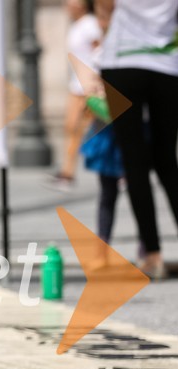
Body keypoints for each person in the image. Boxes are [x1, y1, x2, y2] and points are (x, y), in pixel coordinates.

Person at [99, 0, 178, 279]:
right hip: (167, 62)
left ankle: (153, 256)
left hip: (122, 59)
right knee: (168, 161)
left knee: (134, 162)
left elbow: (104, 5)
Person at [49, 0, 102, 191]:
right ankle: (67, 173)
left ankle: (121, 171)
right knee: (72, 128)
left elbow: (100, 51)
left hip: (88, 88)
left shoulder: (90, 25)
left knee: (92, 130)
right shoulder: (77, 25)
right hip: (76, 86)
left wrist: (97, 81)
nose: (67, 3)